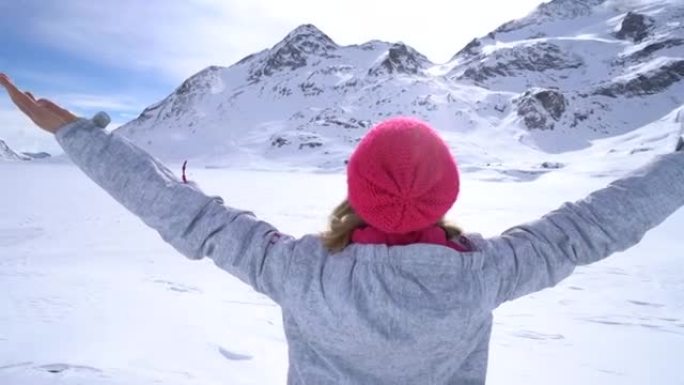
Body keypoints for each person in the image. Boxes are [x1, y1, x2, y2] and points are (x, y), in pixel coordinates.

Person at [1, 72, 683, 385]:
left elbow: (185, 213)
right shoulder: (483, 275)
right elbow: (591, 225)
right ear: (445, 193)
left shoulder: (301, 272)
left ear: (355, 191)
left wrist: (79, 138)